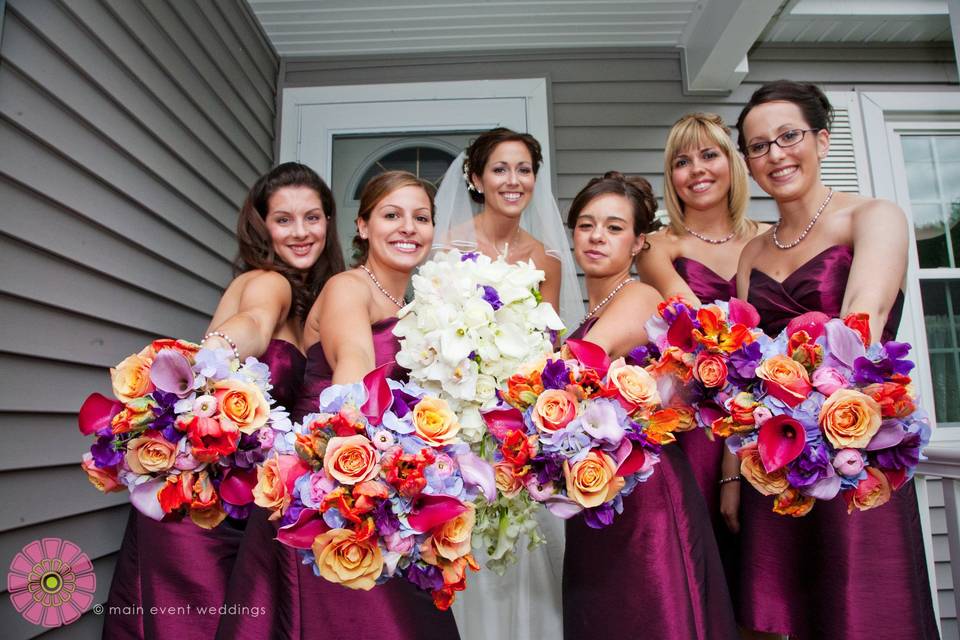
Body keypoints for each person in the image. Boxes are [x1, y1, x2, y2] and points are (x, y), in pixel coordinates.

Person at [732, 79, 938, 639]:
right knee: (784, 618)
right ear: (749, 166)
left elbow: (861, 319)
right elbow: (742, 362)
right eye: (757, 146)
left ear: (822, 140)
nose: (775, 154)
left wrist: (812, 406)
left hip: (854, 446)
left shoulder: (872, 216)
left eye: (788, 136)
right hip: (774, 456)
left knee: (861, 609)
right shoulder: (752, 252)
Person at [103, 162, 344, 639]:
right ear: (262, 226)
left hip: (238, 502)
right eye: (283, 220)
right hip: (202, 507)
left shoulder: (309, 302)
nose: (300, 232)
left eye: (312, 218)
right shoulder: (269, 282)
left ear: (329, 222)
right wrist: (213, 355)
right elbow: (251, 324)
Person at [217, 171, 460, 640]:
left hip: (387, 484)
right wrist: (353, 466)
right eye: (392, 215)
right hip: (333, 492)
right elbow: (355, 365)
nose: (408, 227)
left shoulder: (413, 302)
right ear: (363, 226)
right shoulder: (350, 287)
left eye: (421, 217)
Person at [563, 171, 738, 640]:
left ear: (640, 242)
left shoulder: (639, 295)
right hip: (598, 492)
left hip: (644, 496)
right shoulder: (589, 311)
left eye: (615, 227)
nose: (597, 236)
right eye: (586, 224)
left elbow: (577, 367)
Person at [433, 128, 579, 640]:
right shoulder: (447, 245)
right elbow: (433, 337)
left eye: (524, 169)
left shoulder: (546, 259)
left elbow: (550, 344)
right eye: (499, 168)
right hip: (460, 417)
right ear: (475, 178)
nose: (513, 180)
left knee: (522, 536)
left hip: (519, 422)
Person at [636, 112, 765, 578]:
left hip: (768, 418)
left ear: (732, 162)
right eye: (682, 161)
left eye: (709, 155)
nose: (697, 170)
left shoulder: (768, 241)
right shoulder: (657, 247)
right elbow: (716, 337)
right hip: (699, 427)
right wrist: (729, 465)